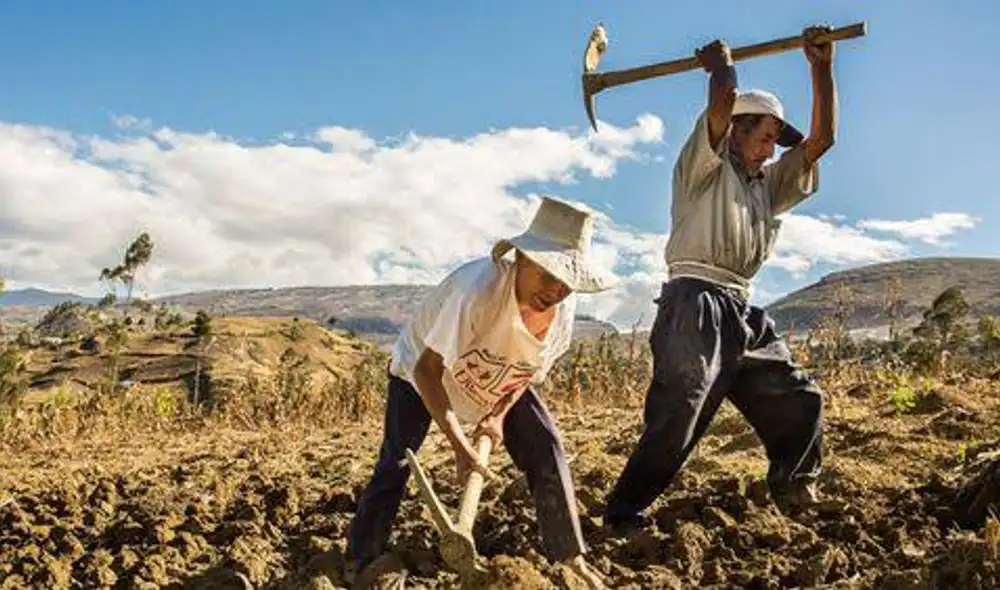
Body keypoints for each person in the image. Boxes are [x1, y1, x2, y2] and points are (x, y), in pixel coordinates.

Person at [602, 25, 839, 534]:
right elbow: (724, 99)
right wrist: (720, 67)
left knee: (799, 398)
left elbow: (821, 141)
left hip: (741, 308)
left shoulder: (766, 185)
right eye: (766, 137)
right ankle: (623, 512)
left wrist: (821, 68)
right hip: (695, 300)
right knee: (681, 410)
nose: (774, 150)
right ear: (736, 130)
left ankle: (794, 487)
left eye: (777, 140)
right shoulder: (702, 168)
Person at [345, 196, 613, 588]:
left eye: (567, 282)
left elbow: (524, 374)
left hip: (491, 381)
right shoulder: (476, 293)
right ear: (521, 259)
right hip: (420, 374)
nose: (556, 290)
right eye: (547, 274)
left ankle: (569, 557)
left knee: (547, 447)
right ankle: (361, 557)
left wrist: (496, 417)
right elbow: (427, 370)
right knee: (397, 462)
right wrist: (458, 445)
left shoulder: (561, 316)